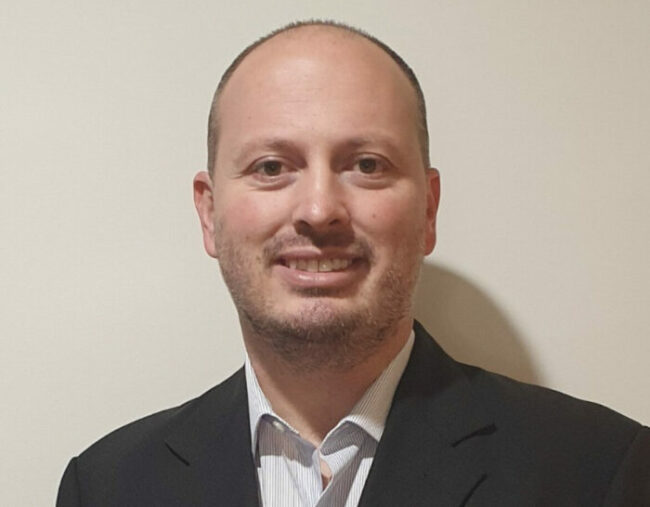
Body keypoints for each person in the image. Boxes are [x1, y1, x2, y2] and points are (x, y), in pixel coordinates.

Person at [57, 21, 649, 506]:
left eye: (366, 165)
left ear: (428, 211)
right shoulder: (107, 487)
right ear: (209, 214)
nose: (319, 210)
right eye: (271, 167)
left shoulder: (599, 472)